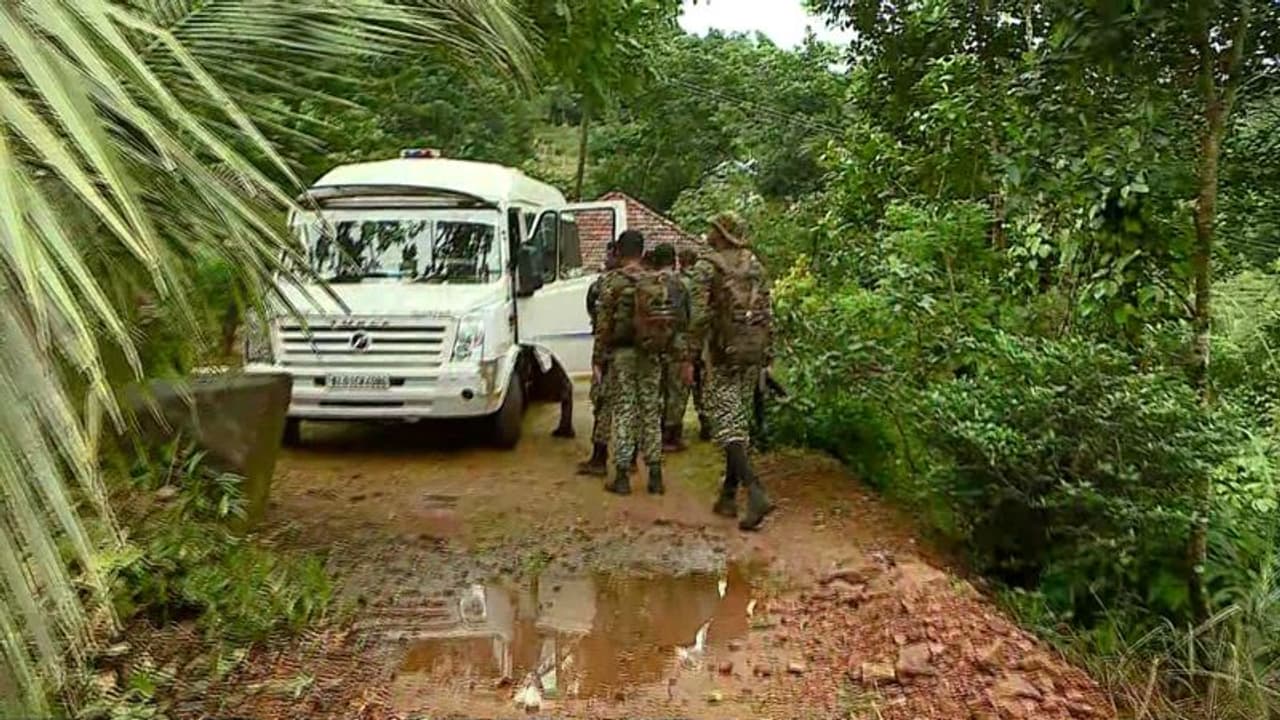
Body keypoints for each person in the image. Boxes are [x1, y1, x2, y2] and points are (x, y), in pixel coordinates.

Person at [689, 212, 775, 531]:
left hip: (721, 353)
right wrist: (768, 354)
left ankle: (754, 491)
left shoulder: (706, 267)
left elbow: (697, 316)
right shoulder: (755, 265)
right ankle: (727, 495)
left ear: (721, 234)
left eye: (713, 230)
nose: (709, 235)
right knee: (738, 420)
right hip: (752, 351)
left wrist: (689, 356)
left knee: (726, 422)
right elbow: (768, 311)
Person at [593, 230, 690, 495]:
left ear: (620, 252)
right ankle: (656, 474)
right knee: (650, 410)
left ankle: (623, 474)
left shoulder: (612, 282)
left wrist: (598, 359)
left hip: (623, 354)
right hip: (652, 353)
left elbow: (603, 326)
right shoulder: (656, 280)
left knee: (625, 409)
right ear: (642, 250)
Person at [576, 241, 619, 475]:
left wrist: (597, 360)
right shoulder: (649, 280)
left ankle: (599, 458)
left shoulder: (603, 285)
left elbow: (598, 319)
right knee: (635, 409)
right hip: (642, 356)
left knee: (603, 403)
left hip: (611, 354)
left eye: (609, 254)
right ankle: (633, 462)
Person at [648, 243, 692, 453]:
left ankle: (653, 433)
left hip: (653, 344)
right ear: (674, 261)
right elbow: (687, 317)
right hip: (677, 343)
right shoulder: (681, 284)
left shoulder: (647, 283)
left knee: (655, 389)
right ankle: (672, 435)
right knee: (676, 390)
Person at [674, 248, 711, 442]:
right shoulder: (702, 282)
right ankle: (706, 422)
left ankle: (674, 428)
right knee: (702, 383)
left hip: (683, 339)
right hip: (704, 340)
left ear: (680, 261)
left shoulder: (677, 282)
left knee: (681, 384)